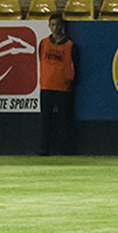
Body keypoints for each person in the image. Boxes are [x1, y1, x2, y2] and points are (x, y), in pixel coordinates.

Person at [38, 14, 76, 156]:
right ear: (49, 26)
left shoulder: (70, 45)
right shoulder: (43, 43)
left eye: (58, 25)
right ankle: (44, 148)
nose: (55, 28)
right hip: (46, 86)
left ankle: (64, 149)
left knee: (63, 121)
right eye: (53, 25)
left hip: (63, 87)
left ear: (62, 26)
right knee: (45, 120)